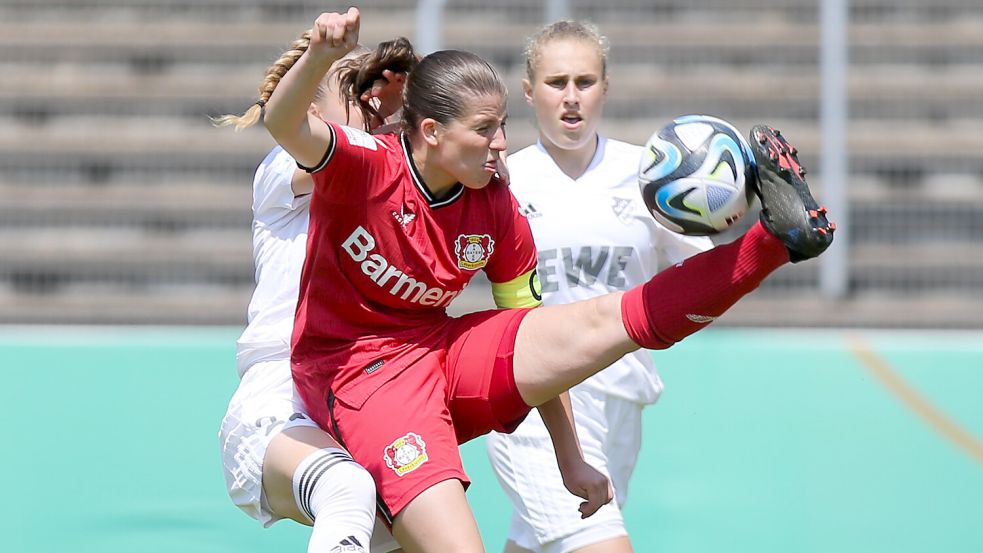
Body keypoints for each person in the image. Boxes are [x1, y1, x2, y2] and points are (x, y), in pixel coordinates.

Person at [263, 8, 834, 553]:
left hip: (440, 351)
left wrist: (571, 456)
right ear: (433, 131)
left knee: (604, 318)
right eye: (485, 129)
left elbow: (530, 335)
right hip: (359, 374)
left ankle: (774, 243)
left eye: (503, 126)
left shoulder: (495, 205)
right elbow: (284, 122)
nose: (502, 144)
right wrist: (319, 55)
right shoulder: (365, 165)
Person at [484, 20, 714, 553]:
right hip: (536, 400)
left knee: (538, 543)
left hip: (621, 399)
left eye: (584, 82)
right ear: (528, 92)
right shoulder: (502, 181)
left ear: (605, 88)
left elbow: (698, 283)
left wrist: (752, 241)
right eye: (556, 82)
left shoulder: (653, 175)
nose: (571, 98)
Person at [215, 33, 416, 553]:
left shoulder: (390, 187)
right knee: (345, 488)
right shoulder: (283, 169)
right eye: (356, 93)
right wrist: (324, 58)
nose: (373, 108)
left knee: (420, 524)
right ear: (307, 107)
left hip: (360, 392)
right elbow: (337, 158)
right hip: (281, 393)